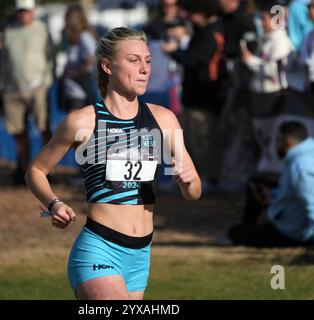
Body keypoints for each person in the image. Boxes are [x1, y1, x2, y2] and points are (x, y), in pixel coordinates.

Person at [25, 27, 201, 300]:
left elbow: (194, 192)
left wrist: (189, 181)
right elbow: (36, 171)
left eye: (148, 61)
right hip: (99, 249)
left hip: (140, 256)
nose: (144, 69)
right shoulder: (82, 121)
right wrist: (54, 203)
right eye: (134, 60)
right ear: (107, 66)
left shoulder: (164, 120)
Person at [228, 121, 314, 248]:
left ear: (287, 141)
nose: (276, 145)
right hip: (295, 224)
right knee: (256, 182)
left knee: (236, 231)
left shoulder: (303, 166)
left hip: (296, 235)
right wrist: (272, 196)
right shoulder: (307, 160)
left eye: (278, 140)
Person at [162, 0, 225, 182]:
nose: (190, 17)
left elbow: (193, 60)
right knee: (189, 140)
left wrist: (173, 51)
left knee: (202, 140)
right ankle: (194, 178)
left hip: (204, 98)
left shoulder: (211, 32)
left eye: (192, 13)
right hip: (193, 97)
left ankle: (207, 178)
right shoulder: (202, 31)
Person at [0, 0, 56, 184]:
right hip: (13, 89)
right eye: (20, 11)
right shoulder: (10, 31)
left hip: (37, 86)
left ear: (33, 11)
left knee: (43, 129)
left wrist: (46, 81)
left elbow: (50, 57)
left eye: (26, 11)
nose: (22, 14)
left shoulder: (42, 29)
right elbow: (4, 60)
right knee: (18, 132)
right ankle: (24, 171)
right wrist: (3, 84)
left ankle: (47, 171)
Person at [241, 2, 293, 117]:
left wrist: (250, 60)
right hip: (259, 93)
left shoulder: (281, 42)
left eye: (264, 19)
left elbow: (275, 70)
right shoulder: (267, 38)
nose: (262, 23)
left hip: (271, 96)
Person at [58, 3, 99, 111]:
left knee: (81, 121)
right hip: (72, 89)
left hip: (82, 87)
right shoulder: (72, 39)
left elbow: (93, 58)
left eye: (70, 18)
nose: (67, 21)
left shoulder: (84, 36)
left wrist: (77, 73)